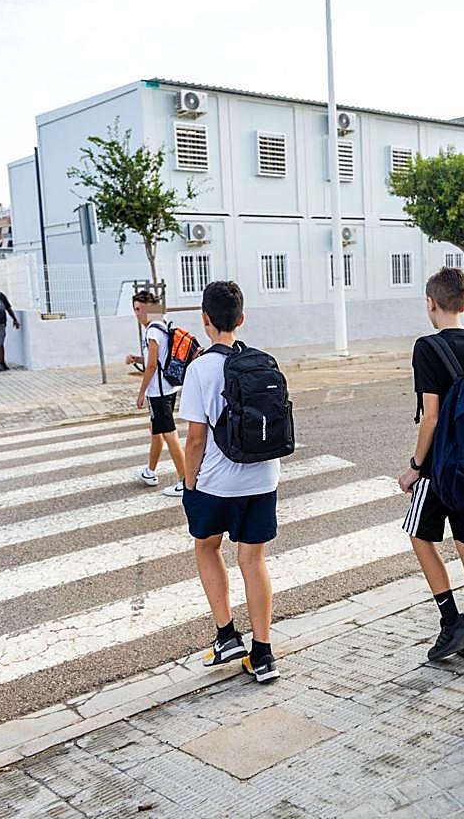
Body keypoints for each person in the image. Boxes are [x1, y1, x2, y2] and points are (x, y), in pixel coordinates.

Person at [397, 267, 464, 665]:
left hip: (439, 468)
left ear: (431, 303)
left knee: (419, 536)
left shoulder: (426, 347)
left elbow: (431, 416)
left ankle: (451, 622)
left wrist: (414, 466)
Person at [178, 281, 280, 684]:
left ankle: (226, 636)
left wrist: (189, 484)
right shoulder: (264, 362)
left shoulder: (200, 369)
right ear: (241, 319)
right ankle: (264, 655)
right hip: (263, 477)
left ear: (205, 320)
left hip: (218, 483)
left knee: (207, 546)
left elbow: (196, 439)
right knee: (253, 560)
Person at [127, 290, 185, 497]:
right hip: (168, 388)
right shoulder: (163, 324)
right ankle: (150, 472)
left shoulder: (152, 331)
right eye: (135, 309)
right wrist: (136, 358)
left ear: (149, 309)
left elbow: (151, 366)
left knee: (170, 434)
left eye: (139, 309)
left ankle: (186, 481)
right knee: (157, 430)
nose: (137, 314)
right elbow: (157, 359)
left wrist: (141, 392)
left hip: (158, 392)